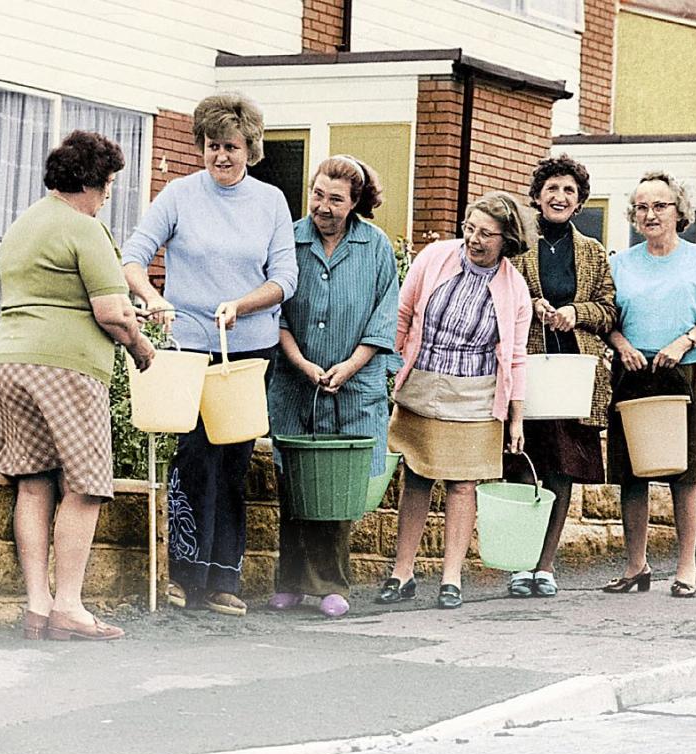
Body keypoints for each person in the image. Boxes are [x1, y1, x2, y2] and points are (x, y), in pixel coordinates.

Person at [121, 93, 297, 617]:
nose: (221, 156)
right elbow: (133, 256)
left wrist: (241, 306)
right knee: (194, 456)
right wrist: (152, 297)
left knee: (234, 461)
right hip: (191, 346)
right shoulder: (178, 194)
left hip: (247, 350)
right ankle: (184, 574)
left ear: (251, 150)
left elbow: (284, 279)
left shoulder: (270, 202)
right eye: (213, 145)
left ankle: (224, 578)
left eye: (233, 147)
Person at [0, 130, 157, 641]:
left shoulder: (23, 225)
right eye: (107, 186)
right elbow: (110, 312)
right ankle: (71, 607)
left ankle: (37, 606)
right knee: (85, 486)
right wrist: (142, 349)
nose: (107, 196)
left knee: (34, 482)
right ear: (90, 183)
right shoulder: (85, 228)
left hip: (8, 363)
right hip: (65, 369)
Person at [376, 192, 533, 610]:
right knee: (417, 476)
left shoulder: (515, 288)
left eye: (486, 233)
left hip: (477, 392)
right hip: (424, 382)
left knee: (463, 484)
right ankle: (402, 572)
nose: (474, 239)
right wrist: (388, 370)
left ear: (507, 240)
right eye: (470, 228)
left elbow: (516, 356)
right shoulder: (435, 257)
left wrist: (515, 418)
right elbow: (403, 313)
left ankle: (451, 579)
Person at [266, 155, 398, 618]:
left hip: (353, 387)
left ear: (356, 202)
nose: (322, 206)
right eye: (317, 194)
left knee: (336, 488)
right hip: (295, 382)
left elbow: (385, 317)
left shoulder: (376, 245)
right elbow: (276, 309)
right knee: (295, 483)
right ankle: (290, 581)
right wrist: (301, 362)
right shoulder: (289, 239)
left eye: (335, 199)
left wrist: (350, 365)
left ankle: (331, 585)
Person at [605, 171, 696, 599]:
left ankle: (687, 567)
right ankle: (636, 566)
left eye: (659, 206)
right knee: (632, 475)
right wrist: (622, 346)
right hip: (634, 372)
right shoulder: (619, 263)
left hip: (686, 370)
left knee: (685, 473)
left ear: (679, 211)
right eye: (642, 207)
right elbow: (607, 322)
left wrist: (684, 341)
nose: (650, 214)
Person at [506, 154, 617, 598]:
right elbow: (501, 292)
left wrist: (576, 312)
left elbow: (609, 310)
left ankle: (546, 565)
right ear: (537, 196)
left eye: (569, 190)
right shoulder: (517, 245)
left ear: (579, 201)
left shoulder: (592, 251)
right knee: (522, 466)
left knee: (562, 471)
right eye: (552, 188)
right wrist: (529, 302)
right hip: (526, 372)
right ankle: (519, 563)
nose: (560, 196)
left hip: (574, 377)